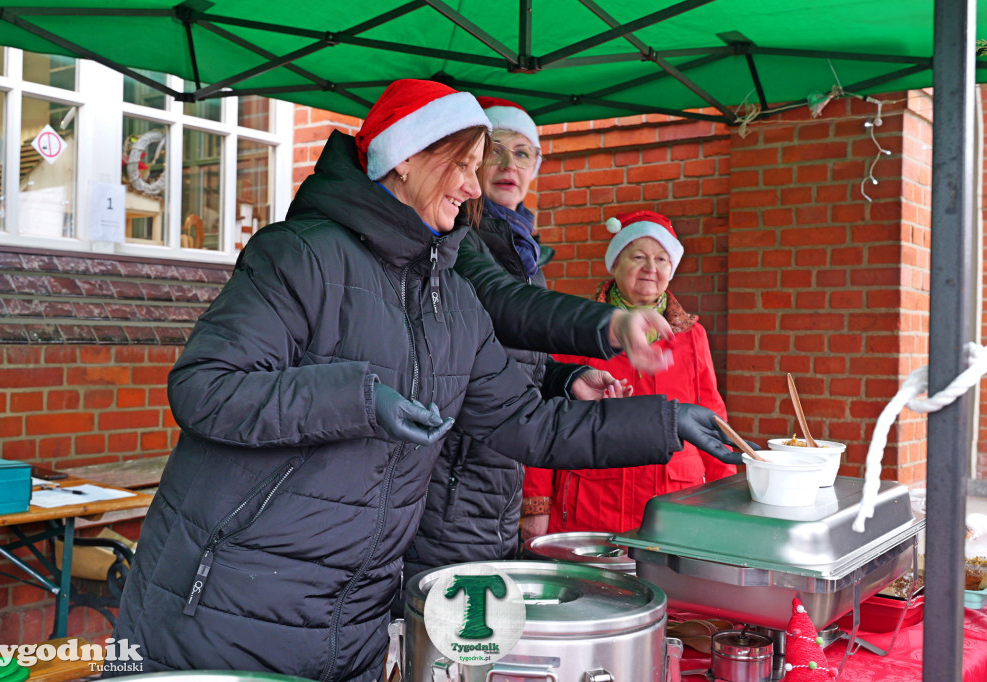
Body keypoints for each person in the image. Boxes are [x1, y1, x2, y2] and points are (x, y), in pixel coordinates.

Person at [111, 79, 739, 682]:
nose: (473, 185)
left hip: (351, 619)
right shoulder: (299, 255)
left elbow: (526, 422)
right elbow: (205, 389)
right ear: (406, 159)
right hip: (222, 604)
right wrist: (356, 398)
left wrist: (666, 421)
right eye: (463, 164)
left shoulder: (454, 299)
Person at [400, 97, 641, 599]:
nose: (510, 166)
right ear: (470, 162)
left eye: (524, 154)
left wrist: (565, 378)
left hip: (497, 478)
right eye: (496, 151)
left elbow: (507, 355)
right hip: (450, 479)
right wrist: (611, 324)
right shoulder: (457, 237)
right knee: (449, 635)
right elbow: (502, 305)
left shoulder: (522, 249)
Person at [522, 210, 738, 539]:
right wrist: (537, 503)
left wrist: (726, 496)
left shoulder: (692, 336)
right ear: (616, 263)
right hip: (590, 505)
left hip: (672, 505)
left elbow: (713, 416)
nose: (651, 268)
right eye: (638, 256)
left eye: (662, 259)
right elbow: (545, 413)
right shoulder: (581, 327)